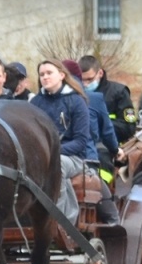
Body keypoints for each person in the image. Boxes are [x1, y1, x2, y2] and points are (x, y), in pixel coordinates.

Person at [31, 60, 118, 225]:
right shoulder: (36, 103)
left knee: (58, 165)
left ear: (62, 75)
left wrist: (52, 152)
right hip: (43, 156)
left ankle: (60, 221)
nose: (45, 77)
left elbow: (80, 142)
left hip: (74, 158)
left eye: (49, 73)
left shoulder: (76, 101)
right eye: (42, 74)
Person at [63, 59, 119, 166]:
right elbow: (107, 132)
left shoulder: (43, 100)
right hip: (87, 160)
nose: (86, 83)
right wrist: (115, 150)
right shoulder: (95, 99)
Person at [78, 54, 136, 145]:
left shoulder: (119, 92)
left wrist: (99, 125)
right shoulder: (75, 93)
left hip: (110, 145)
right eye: (82, 80)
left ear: (100, 73)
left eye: (89, 79)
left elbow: (129, 127)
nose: (85, 84)